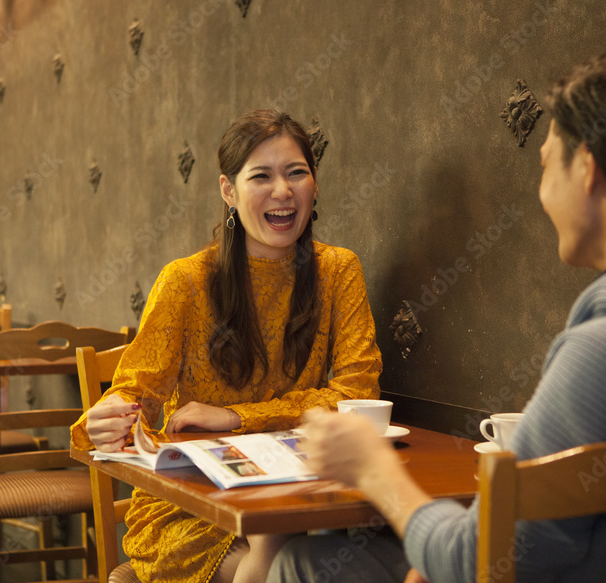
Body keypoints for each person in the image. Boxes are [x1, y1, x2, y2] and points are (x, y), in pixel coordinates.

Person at [267, 32, 606, 582]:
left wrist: (373, 468)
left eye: (545, 163)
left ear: (587, 169)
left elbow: (475, 562)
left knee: (303, 561)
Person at [70, 109, 383, 583]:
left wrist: (239, 418)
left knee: (323, 552)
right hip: (193, 504)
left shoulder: (339, 271)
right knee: (282, 558)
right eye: (262, 176)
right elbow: (138, 391)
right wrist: (111, 415)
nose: (283, 190)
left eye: (297, 172)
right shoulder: (187, 281)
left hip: (301, 496)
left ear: (314, 185)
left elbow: (357, 394)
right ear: (228, 191)